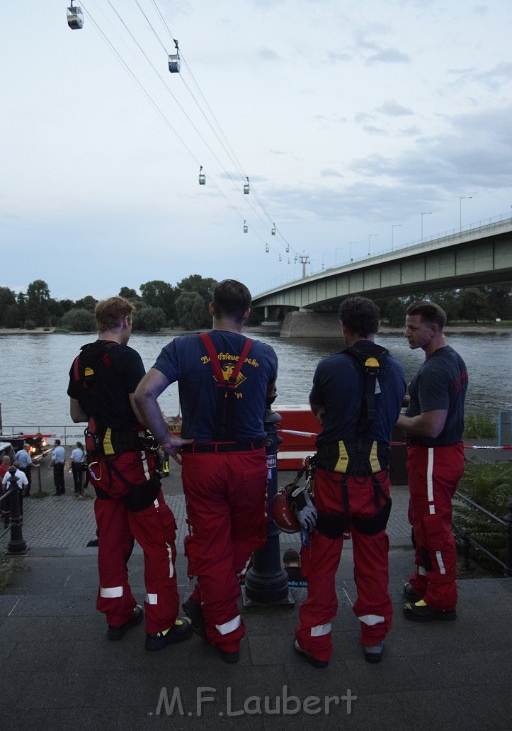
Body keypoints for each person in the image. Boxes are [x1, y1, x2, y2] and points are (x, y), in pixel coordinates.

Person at [134, 279, 278, 664]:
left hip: (203, 461)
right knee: (249, 535)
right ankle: (224, 626)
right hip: (249, 460)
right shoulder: (266, 354)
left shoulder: (182, 348)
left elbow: (143, 394)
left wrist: (166, 439)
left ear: (212, 308)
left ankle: (211, 610)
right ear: (247, 313)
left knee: (211, 545)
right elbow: (267, 402)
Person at [67, 295, 192, 651]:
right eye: (130, 322)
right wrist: (165, 435)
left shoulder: (79, 360)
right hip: (131, 465)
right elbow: (142, 404)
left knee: (111, 542)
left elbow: (77, 414)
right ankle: (162, 623)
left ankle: (118, 615)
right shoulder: (127, 357)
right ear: (124, 320)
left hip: (100, 469)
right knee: (159, 541)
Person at [294, 296, 406, 666]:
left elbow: (321, 412)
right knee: (373, 559)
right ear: (377, 325)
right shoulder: (397, 369)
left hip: (333, 482)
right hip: (375, 481)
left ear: (343, 327)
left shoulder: (329, 367)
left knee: (322, 560)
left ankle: (316, 642)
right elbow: (389, 418)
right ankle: (374, 637)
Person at [395, 301, 468, 621]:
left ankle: (441, 599)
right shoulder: (448, 359)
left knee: (434, 528)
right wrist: (402, 400)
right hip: (441, 456)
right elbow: (429, 401)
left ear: (433, 329)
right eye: (406, 326)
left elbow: (430, 424)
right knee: (421, 522)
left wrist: (393, 418)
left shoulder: (436, 368)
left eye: (413, 327)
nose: (406, 333)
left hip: (433, 458)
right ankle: (424, 580)